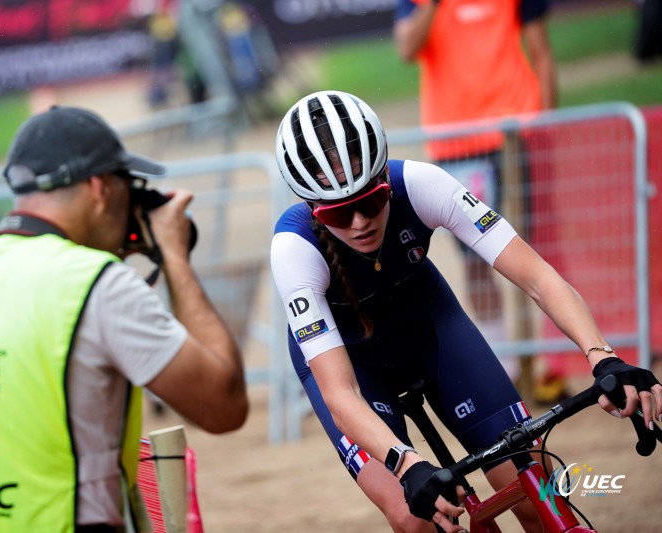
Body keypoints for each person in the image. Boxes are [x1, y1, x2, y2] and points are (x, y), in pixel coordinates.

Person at [270, 90, 662, 532]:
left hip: (431, 329)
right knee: (416, 518)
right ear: (313, 211)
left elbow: (538, 277)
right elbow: (339, 393)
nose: (360, 222)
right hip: (352, 365)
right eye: (340, 214)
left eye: (371, 201)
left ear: (385, 178)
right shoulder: (293, 249)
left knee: (540, 496)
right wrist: (405, 464)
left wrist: (602, 355)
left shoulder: (422, 184)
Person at [0, 106, 249, 531]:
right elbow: (224, 406)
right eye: (128, 186)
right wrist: (174, 257)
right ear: (100, 187)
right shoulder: (97, 285)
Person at [393, 0, 558, 389]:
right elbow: (406, 48)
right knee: (476, 260)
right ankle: (508, 369)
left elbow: (543, 54)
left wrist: (550, 128)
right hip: (458, 145)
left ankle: (542, 360)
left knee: (527, 248)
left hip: (518, 134)